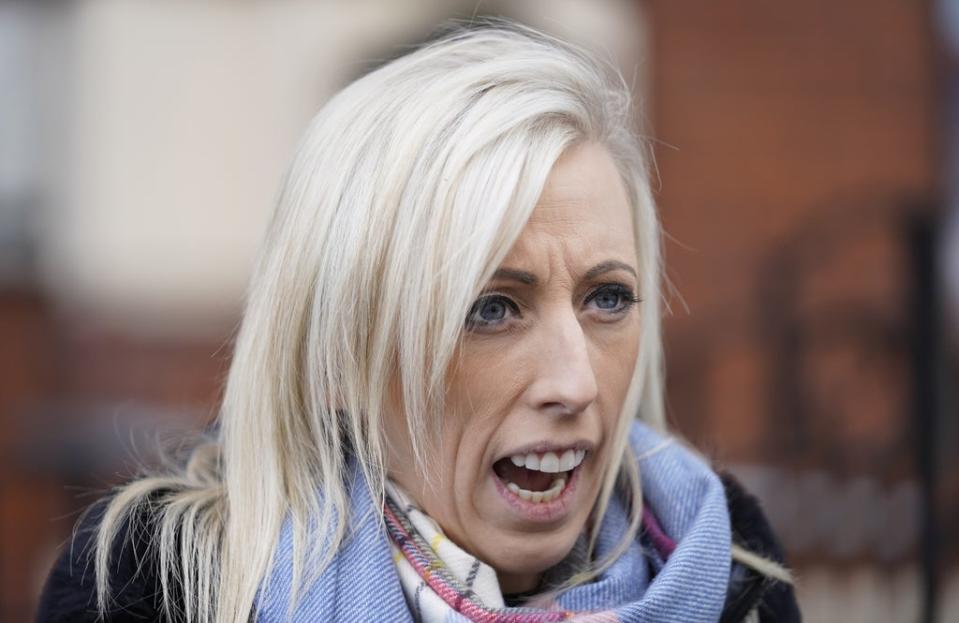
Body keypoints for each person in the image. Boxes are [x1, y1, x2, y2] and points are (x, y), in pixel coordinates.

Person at [37, 20, 799, 623]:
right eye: (491, 308)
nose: (575, 381)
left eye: (606, 298)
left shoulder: (728, 568)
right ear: (336, 356)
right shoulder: (155, 587)